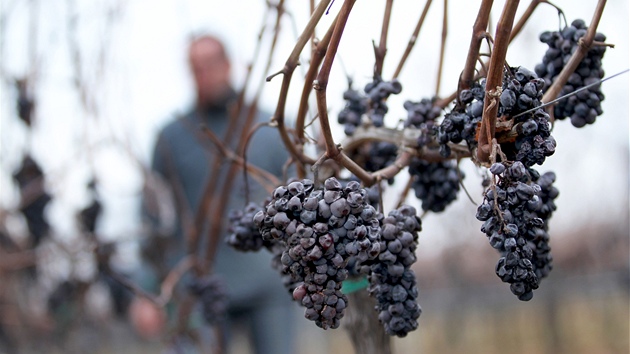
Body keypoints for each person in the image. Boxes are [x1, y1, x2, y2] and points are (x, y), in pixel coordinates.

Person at [130, 34, 295, 354]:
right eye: (195, 67)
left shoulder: (269, 128)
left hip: (268, 283)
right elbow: (151, 218)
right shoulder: (171, 138)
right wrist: (146, 290)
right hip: (199, 284)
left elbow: (299, 201)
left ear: (228, 65)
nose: (203, 74)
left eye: (210, 64)